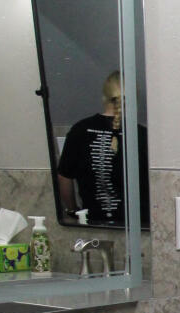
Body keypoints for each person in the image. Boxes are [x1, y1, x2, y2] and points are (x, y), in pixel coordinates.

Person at [57, 71, 149, 225]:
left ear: (104, 97)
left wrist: (73, 211)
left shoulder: (80, 130)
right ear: (132, 100)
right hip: (137, 226)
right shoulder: (141, 134)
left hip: (93, 221)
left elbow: (64, 177)